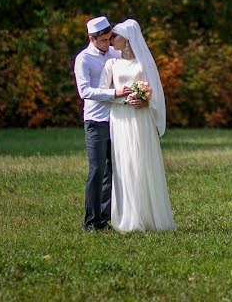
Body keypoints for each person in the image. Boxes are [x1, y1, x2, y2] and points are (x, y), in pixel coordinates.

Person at [99, 18, 176, 232]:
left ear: (127, 38)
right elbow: (103, 93)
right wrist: (124, 99)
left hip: (141, 119)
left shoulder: (144, 63)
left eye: (116, 35)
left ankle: (149, 216)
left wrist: (145, 100)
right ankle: (129, 216)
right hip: (121, 119)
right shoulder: (111, 64)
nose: (112, 39)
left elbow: (156, 92)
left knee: (142, 163)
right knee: (125, 164)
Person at [73, 15, 133, 232]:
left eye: (110, 39)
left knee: (112, 170)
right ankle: (91, 221)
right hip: (95, 120)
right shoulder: (84, 59)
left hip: (116, 119)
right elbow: (85, 91)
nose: (108, 43)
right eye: (104, 40)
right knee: (97, 169)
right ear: (91, 38)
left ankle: (104, 219)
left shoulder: (113, 53)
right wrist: (113, 93)